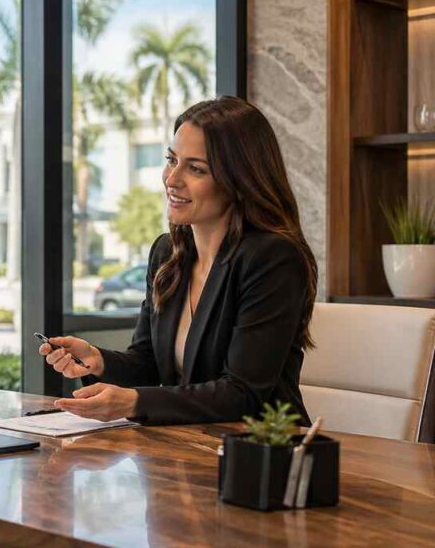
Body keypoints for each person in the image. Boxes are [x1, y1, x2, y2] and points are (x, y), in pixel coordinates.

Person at [40, 96, 317, 425]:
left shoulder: (273, 258)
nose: (172, 179)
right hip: (184, 451)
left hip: (261, 455)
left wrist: (133, 402)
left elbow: (242, 393)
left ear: (239, 180)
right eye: (172, 160)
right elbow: (149, 363)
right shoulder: (168, 254)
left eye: (196, 169)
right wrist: (98, 361)